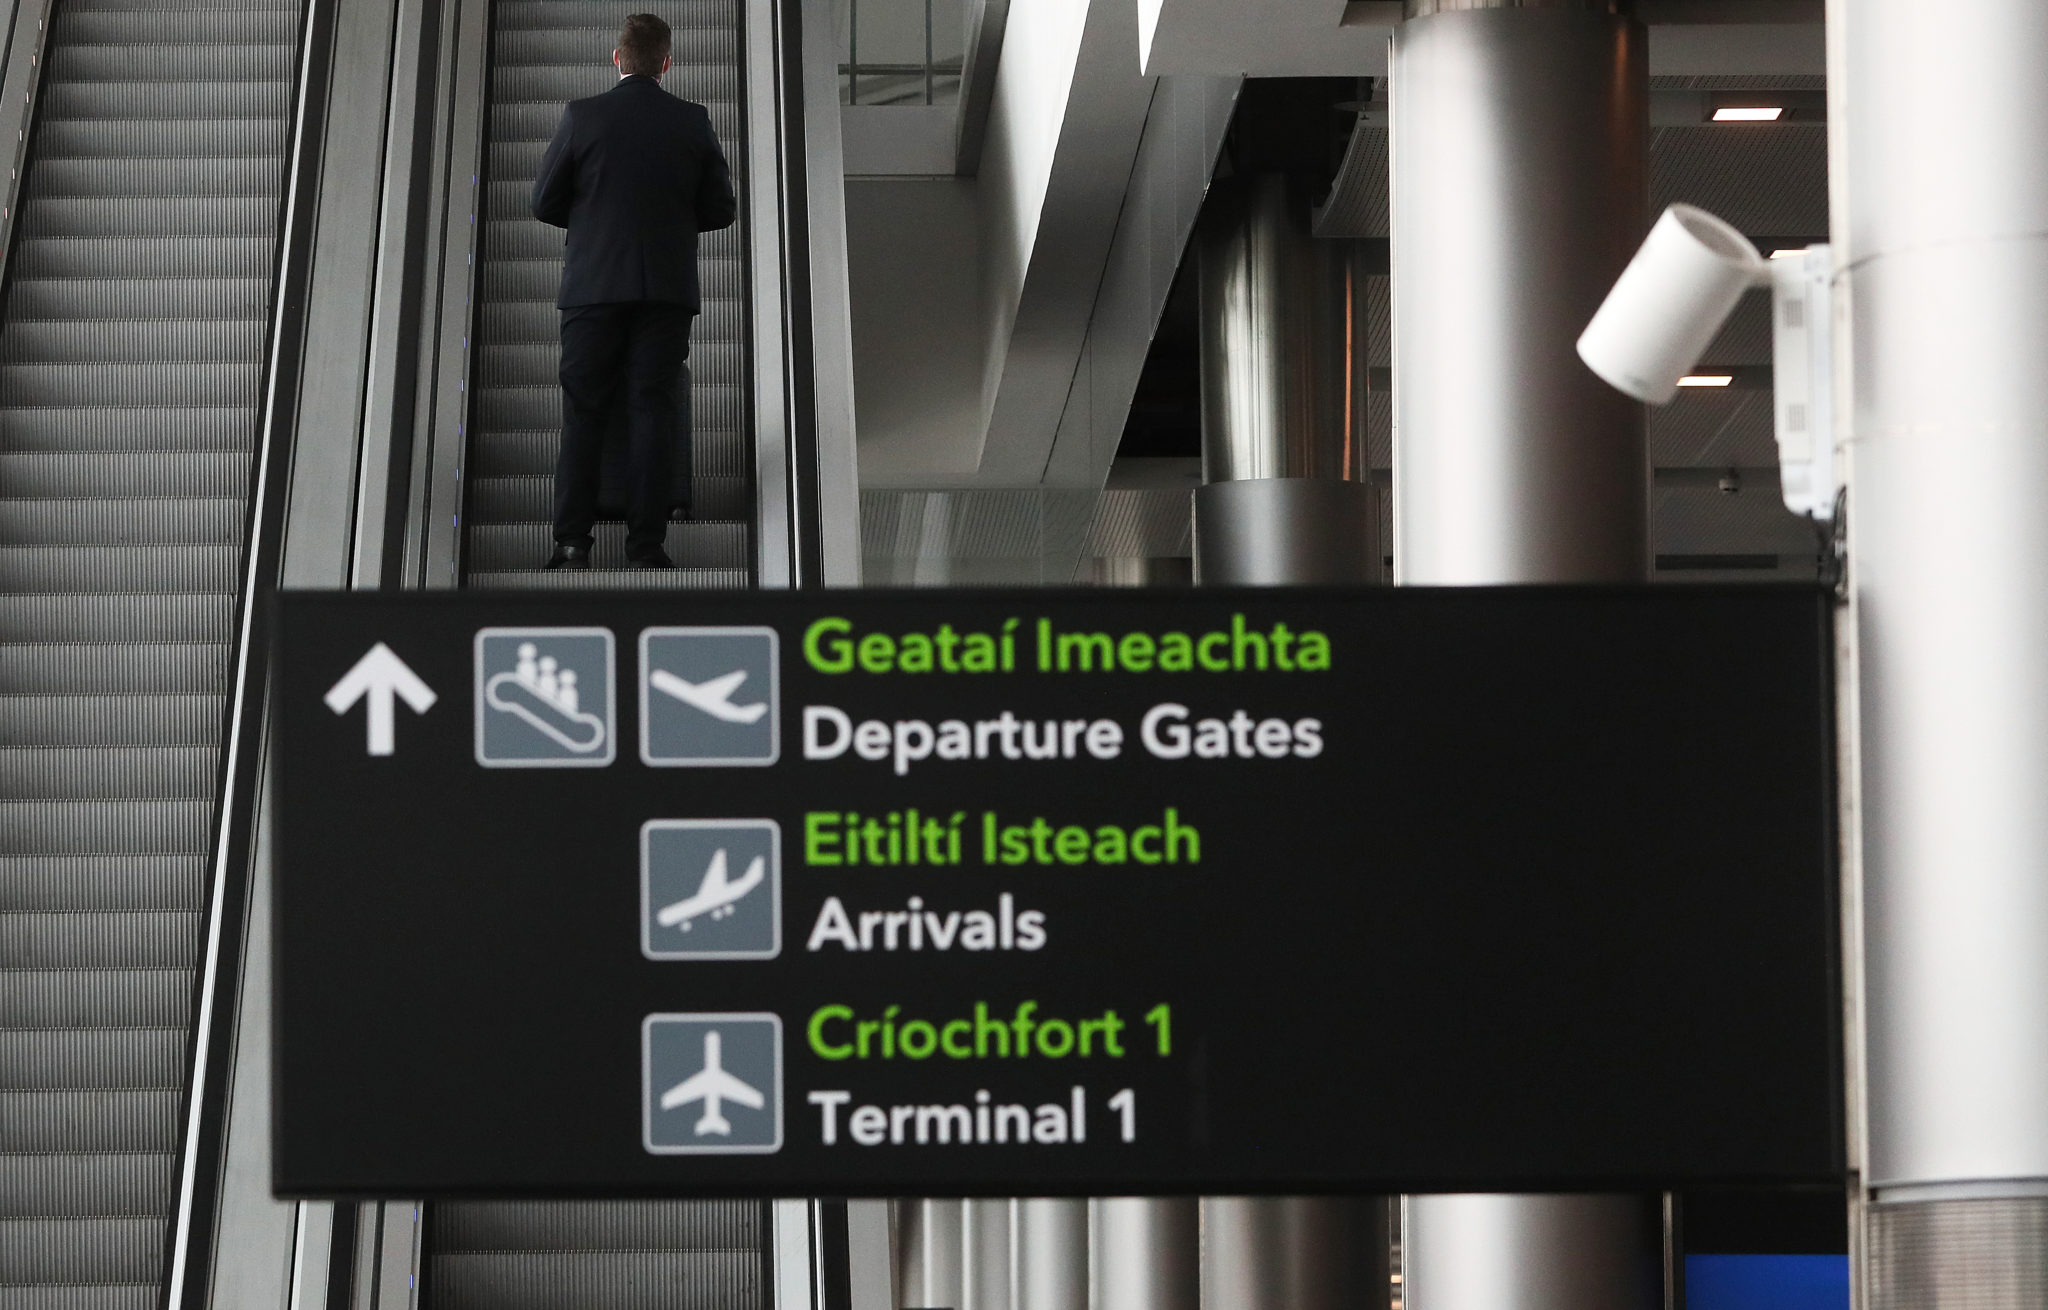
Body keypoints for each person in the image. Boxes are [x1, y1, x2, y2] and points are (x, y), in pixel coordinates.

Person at [531, 13, 737, 571]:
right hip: (665, 291)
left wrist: (593, 219)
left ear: (616, 58)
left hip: (593, 287)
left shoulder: (583, 116)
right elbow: (722, 209)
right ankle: (647, 546)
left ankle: (572, 543)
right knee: (653, 410)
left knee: (584, 412)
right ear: (666, 63)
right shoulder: (693, 121)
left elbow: (543, 201)